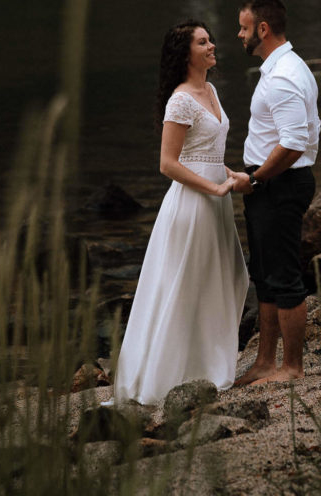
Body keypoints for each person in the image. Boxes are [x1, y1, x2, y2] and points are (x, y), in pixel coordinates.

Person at [112, 20, 249, 405]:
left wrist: (229, 174)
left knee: (223, 278)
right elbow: (169, 164)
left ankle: (206, 365)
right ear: (185, 54)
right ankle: (167, 374)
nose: (212, 46)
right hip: (191, 205)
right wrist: (214, 187)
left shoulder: (213, 91)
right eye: (202, 42)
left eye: (210, 40)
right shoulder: (181, 99)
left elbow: (206, 155)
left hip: (216, 199)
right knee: (184, 284)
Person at [229, 0, 319, 385]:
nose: (239, 34)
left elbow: (295, 140)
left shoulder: (283, 76)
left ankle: (293, 368)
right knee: (264, 275)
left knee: (284, 276)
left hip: (279, 184)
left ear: (262, 29)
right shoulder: (280, 68)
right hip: (270, 183)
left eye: (244, 28)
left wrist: (256, 178)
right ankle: (266, 362)